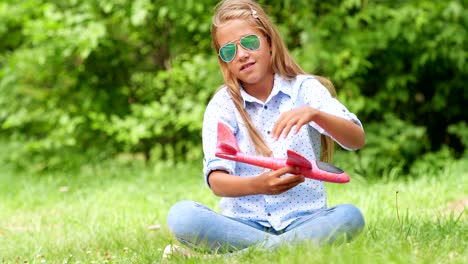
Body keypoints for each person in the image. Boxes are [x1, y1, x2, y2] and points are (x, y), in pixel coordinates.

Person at [166, 0, 365, 256]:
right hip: (242, 225)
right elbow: (217, 182)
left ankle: (234, 258)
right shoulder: (222, 106)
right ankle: (281, 251)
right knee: (182, 216)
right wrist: (259, 184)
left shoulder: (305, 90)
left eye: (249, 42)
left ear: (269, 40)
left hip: (304, 221)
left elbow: (356, 139)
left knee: (350, 216)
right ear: (224, 61)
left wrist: (315, 114)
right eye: (229, 51)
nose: (242, 55)